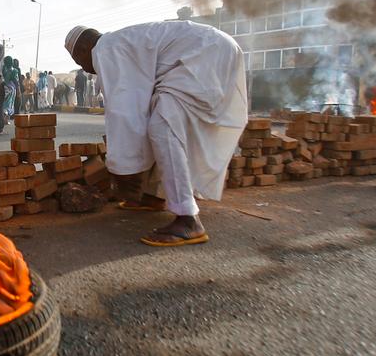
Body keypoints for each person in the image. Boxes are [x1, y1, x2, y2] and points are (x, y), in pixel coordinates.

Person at [64, 21, 247, 247]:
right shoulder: (121, 42)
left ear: (82, 50)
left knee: (163, 126)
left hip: (205, 53)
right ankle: (154, 196)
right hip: (214, 49)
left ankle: (188, 220)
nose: (84, 68)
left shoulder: (105, 48)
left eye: (78, 61)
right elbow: (139, 109)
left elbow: (124, 110)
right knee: (156, 116)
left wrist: (123, 169)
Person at [1, 56, 17, 127]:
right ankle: (6, 120)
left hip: (4, 87)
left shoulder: (3, 69)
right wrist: (18, 89)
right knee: (10, 104)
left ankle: (4, 117)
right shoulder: (14, 70)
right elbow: (15, 81)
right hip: (12, 88)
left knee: (5, 103)